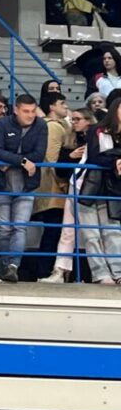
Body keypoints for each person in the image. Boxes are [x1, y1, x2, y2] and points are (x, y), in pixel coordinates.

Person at [0, 94, 48, 282]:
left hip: (27, 184)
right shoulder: (2, 124)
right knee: (4, 228)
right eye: (25, 111)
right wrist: (21, 160)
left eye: (33, 111)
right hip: (2, 183)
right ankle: (6, 267)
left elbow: (39, 154)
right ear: (16, 110)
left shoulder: (41, 125)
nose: (30, 115)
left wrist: (10, 160)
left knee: (20, 227)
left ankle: (12, 266)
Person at [40, 107, 92, 284]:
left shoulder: (97, 138)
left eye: (78, 119)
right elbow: (60, 169)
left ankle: (93, 274)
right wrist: (71, 156)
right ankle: (60, 271)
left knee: (93, 234)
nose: (74, 122)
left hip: (92, 189)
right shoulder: (68, 141)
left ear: (89, 121)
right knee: (67, 231)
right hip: (73, 188)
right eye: (74, 119)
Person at [77, 97, 121, 284]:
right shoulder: (97, 130)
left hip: (111, 187)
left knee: (113, 231)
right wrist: (115, 160)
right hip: (88, 184)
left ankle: (118, 272)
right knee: (91, 233)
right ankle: (100, 273)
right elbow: (95, 157)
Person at [30, 91, 73, 279]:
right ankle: (43, 270)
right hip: (53, 188)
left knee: (53, 231)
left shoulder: (53, 125)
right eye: (61, 103)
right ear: (52, 107)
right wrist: (63, 183)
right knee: (53, 231)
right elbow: (52, 159)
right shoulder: (54, 127)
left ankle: (45, 270)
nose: (66, 106)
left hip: (50, 186)